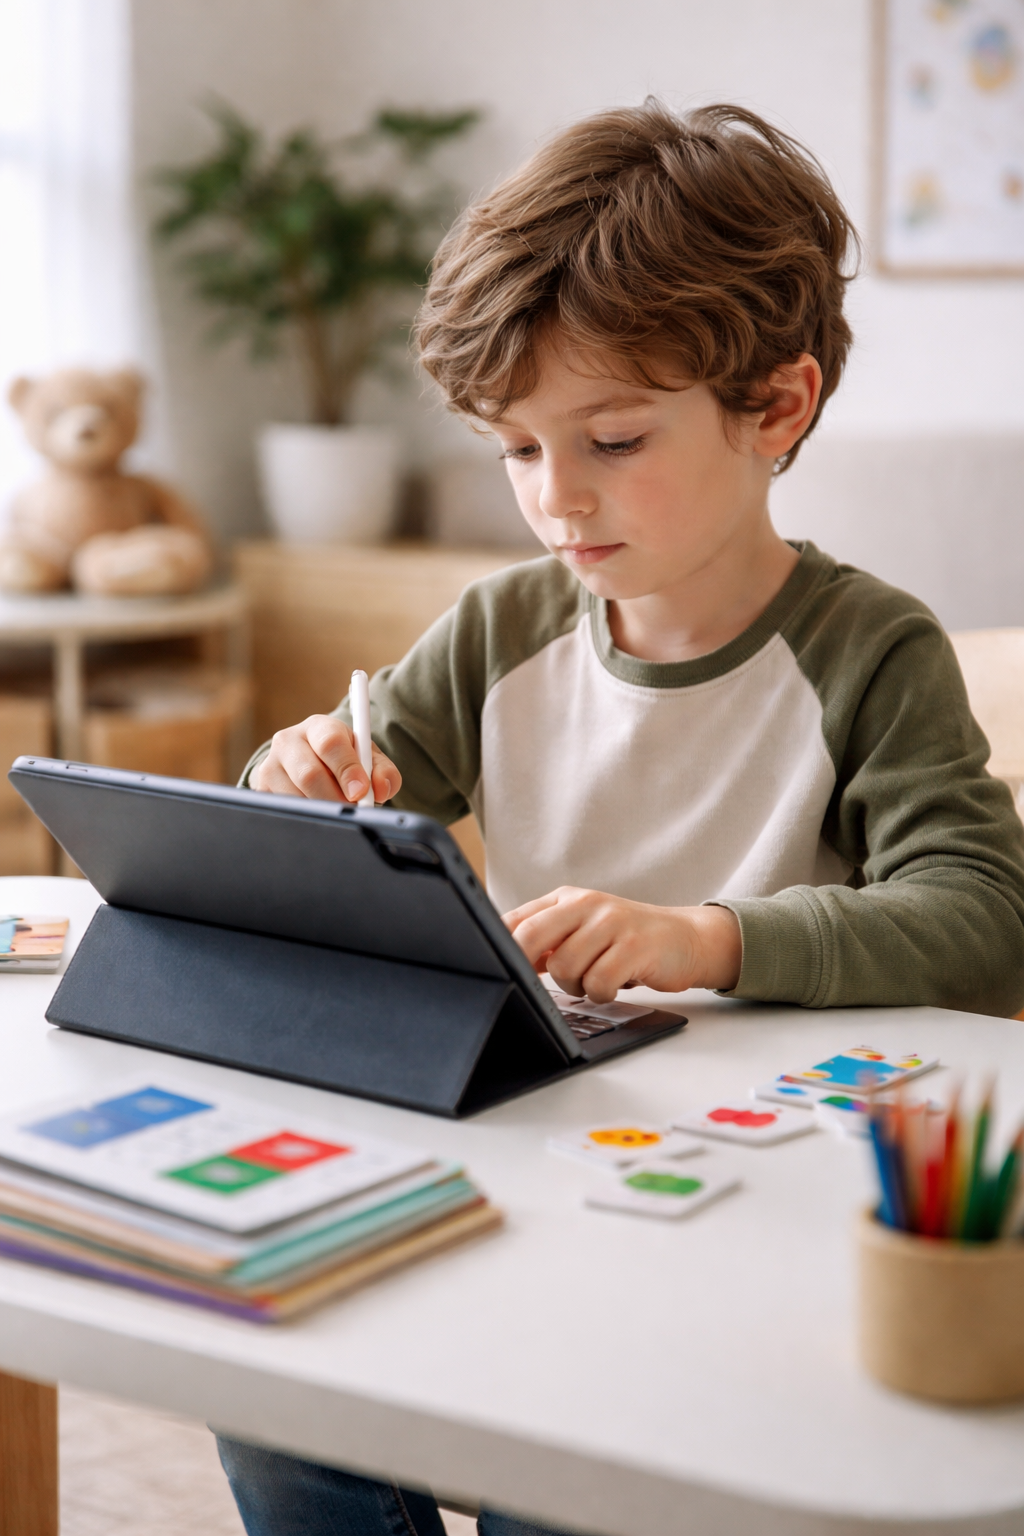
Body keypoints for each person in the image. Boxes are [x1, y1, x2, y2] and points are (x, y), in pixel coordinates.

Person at [217, 100, 1024, 1536]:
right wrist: (295, 783)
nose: (553, 499)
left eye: (608, 438)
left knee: (576, 1485)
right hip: (540, 1149)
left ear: (775, 409)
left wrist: (707, 937)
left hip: (745, 1197)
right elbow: (336, 821)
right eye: (518, 449)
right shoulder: (501, 629)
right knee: (277, 1400)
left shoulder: (870, 652)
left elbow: (980, 916)